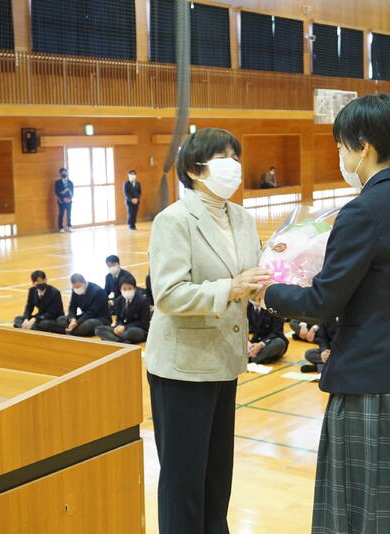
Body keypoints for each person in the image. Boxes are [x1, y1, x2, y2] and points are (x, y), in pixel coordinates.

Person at [259, 94, 390, 532]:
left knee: (365, 516)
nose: (341, 157)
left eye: (341, 147)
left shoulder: (362, 210)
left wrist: (268, 292)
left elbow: (320, 304)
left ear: (363, 147)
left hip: (371, 382)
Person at [144, 128, 268, 534]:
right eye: (222, 157)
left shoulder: (243, 218)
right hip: (182, 367)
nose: (233, 165)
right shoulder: (173, 220)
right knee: (184, 482)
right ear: (195, 170)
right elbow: (168, 294)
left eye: (236, 156)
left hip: (224, 360)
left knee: (217, 478)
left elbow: (252, 279)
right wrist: (230, 288)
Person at [95, 274, 151, 344]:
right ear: (120, 289)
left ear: (134, 288)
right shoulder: (119, 300)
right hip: (123, 330)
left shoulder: (143, 301)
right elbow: (119, 319)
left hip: (136, 329)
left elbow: (144, 323)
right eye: (124, 289)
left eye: (130, 288)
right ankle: (122, 342)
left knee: (130, 333)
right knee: (99, 329)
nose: (127, 291)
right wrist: (118, 326)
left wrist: (125, 327)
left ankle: (114, 340)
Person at [54, 168, 74, 232]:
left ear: (67, 173)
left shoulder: (70, 182)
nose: (64, 174)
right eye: (62, 173)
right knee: (61, 214)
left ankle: (69, 226)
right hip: (61, 201)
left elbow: (72, 192)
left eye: (65, 172)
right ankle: (61, 227)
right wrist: (63, 198)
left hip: (69, 201)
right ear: (60, 174)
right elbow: (56, 192)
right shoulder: (57, 182)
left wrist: (70, 198)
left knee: (69, 214)